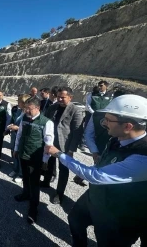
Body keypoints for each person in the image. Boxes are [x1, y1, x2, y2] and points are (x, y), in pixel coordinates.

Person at [44, 94, 147, 247]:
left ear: (128, 126)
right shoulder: (116, 139)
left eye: (108, 120)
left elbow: (96, 175)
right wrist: (87, 174)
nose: (104, 123)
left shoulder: (142, 158)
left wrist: (59, 154)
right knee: (75, 220)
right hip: (94, 198)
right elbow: (102, 166)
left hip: (119, 215)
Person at [13, 97, 54, 224]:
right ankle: (25, 194)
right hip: (23, 154)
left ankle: (33, 208)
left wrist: (45, 160)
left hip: (35, 158)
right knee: (25, 177)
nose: (26, 111)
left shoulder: (47, 123)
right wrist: (16, 149)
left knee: (34, 183)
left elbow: (48, 143)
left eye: (29, 109)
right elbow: (19, 134)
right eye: (25, 109)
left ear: (38, 108)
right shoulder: (24, 118)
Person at [41, 87, 84, 204]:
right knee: (49, 164)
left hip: (65, 146)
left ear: (70, 97)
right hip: (50, 142)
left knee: (63, 170)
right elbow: (45, 121)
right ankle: (46, 182)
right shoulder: (52, 107)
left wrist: (71, 150)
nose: (59, 99)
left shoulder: (75, 110)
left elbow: (77, 132)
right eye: (58, 96)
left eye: (62, 97)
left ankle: (59, 194)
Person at [7, 93, 30, 183]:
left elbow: (28, 127)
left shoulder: (28, 113)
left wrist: (16, 128)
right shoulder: (19, 111)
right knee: (14, 153)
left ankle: (21, 173)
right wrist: (13, 125)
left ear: (24, 102)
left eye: (19, 101)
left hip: (22, 137)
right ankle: (15, 169)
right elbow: (16, 122)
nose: (17, 103)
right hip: (15, 135)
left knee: (21, 155)